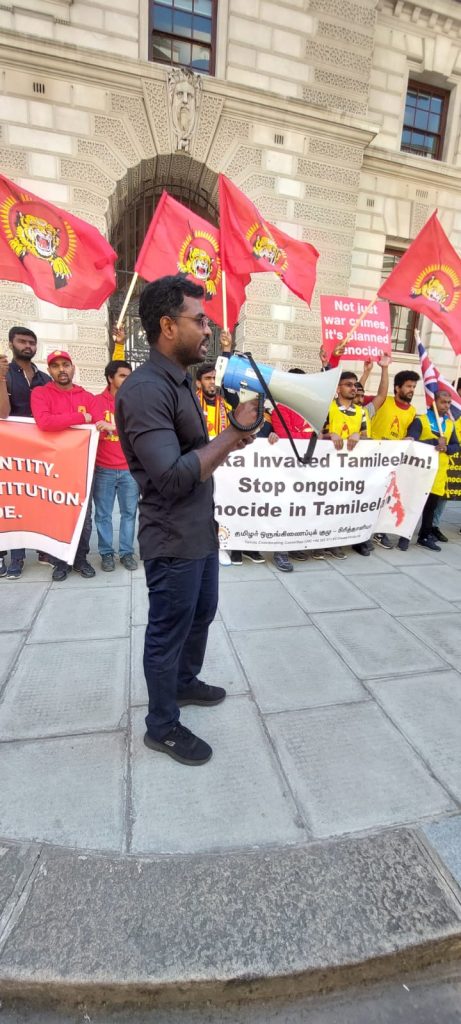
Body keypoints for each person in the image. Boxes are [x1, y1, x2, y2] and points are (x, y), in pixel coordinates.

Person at [115, 274, 260, 767]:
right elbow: (173, 477)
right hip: (172, 538)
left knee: (201, 613)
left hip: (199, 530)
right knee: (168, 630)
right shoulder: (144, 391)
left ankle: (183, 682)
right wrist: (234, 432)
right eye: (199, 320)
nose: (208, 329)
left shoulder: (178, 381)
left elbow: (195, 453)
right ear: (167, 326)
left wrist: (232, 439)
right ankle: (162, 726)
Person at [196, 333, 265, 568]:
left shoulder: (227, 404)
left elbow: (232, 387)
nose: (212, 382)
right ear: (199, 383)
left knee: (225, 505)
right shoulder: (192, 403)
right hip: (202, 464)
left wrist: (227, 350)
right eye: (207, 378)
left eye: (214, 378)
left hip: (226, 467)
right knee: (205, 507)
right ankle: (209, 545)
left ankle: (223, 545)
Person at [30, 350, 97, 581]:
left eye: (65, 364)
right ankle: (60, 561)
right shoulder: (40, 393)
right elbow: (44, 422)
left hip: (83, 467)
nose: (62, 369)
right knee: (58, 514)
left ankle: (80, 558)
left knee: (84, 516)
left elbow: (97, 419)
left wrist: (76, 420)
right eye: (56, 366)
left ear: (73, 367)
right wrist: (80, 417)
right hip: (53, 466)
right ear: (49, 370)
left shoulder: (87, 396)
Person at [0, 326, 54, 579]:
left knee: (40, 500)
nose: (28, 346)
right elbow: (3, 413)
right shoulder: (6, 373)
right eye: (22, 341)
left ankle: (43, 549)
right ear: (11, 343)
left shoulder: (44, 378)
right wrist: (1, 379)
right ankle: (16, 557)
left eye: (32, 342)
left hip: (39, 451)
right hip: (11, 452)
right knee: (16, 502)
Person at [271, 368, 322, 572]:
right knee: (285, 508)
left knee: (301, 508)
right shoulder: (280, 409)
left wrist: (306, 435)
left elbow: (318, 434)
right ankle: (280, 551)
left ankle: (293, 545)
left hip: (306, 467)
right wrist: (305, 435)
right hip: (287, 470)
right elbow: (287, 437)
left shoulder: (310, 408)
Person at [91, 357, 139, 572]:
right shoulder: (95, 401)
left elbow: (138, 429)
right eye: (122, 376)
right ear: (110, 378)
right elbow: (91, 429)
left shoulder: (135, 402)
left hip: (129, 469)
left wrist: (113, 427)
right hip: (104, 468)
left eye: (130, 376)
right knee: (103, 515)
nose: (128, 380)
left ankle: (127, 552)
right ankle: (106, 553)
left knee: (130, 514)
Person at [370, 368, 420, 551]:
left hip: (393, 461)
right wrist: (384, 368)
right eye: (408, 386)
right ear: (398, 387)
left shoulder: (412, 411)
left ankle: (379, 532)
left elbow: (409, 434)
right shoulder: (384, 401)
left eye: (413, 387)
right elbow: (379, 392)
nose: (411, 390)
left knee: (387, 497)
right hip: (373, 457)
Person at [322, 371, 370, 556]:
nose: (353, 388)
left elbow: (366, 437)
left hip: (351, 467)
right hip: (328, 465)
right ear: (338, 388)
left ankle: (345, 539)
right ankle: (327, 540)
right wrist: (330, 435)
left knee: (347, 503)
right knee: (328, 503)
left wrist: (359, 435)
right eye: (348, 384)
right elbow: (315, 433)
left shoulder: (361, 412)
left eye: (355, 385)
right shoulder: (327, 408)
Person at [406, 389, 460, 550]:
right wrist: (434, 442)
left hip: (438, 473)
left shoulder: (449, 424)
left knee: (431, 506)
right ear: (433, 402)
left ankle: (424, 536)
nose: (446, 405)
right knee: (412, 505)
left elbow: (456, 446)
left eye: (449, 403)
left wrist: (447, 448)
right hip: (420, 471)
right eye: (443, 402)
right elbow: (412, 442)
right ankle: (404, 535)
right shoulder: (421, 420)